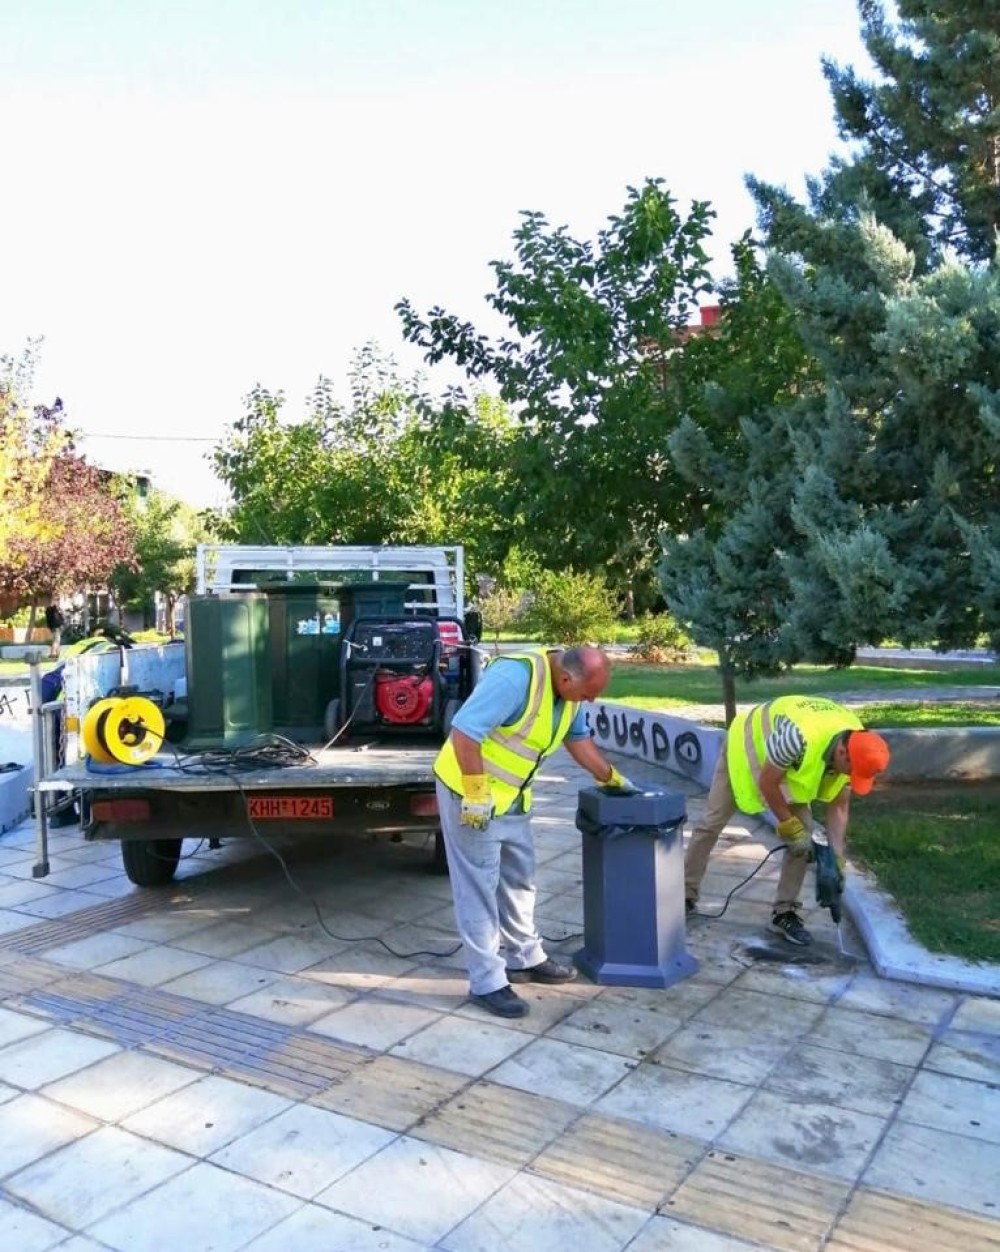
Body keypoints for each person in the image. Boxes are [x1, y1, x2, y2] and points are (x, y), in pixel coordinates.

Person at [434, 644, 633, 1018]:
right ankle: (487, 981)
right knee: (478, 886)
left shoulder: (569, 692)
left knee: (519, 879)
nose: (589, 701)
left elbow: (578, 739)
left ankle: (524, 957)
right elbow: (465, 733)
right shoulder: (514, 678)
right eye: (588, 694)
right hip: (471, 793)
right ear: (565, 678)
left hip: (513, 797)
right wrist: (476, 793)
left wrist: (612, 778)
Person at [684, 695, 890, 946]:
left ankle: (784, 913)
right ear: (841, 752)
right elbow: (768, 783)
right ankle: (684, 894)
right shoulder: (798, 737)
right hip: (747, 746)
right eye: (851, 771)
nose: (849, 776)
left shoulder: (858, 745)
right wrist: (790, 828)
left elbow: (839, 806)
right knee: (712, 821)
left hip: (786, 764)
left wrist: (836, 858)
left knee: (805, 833)